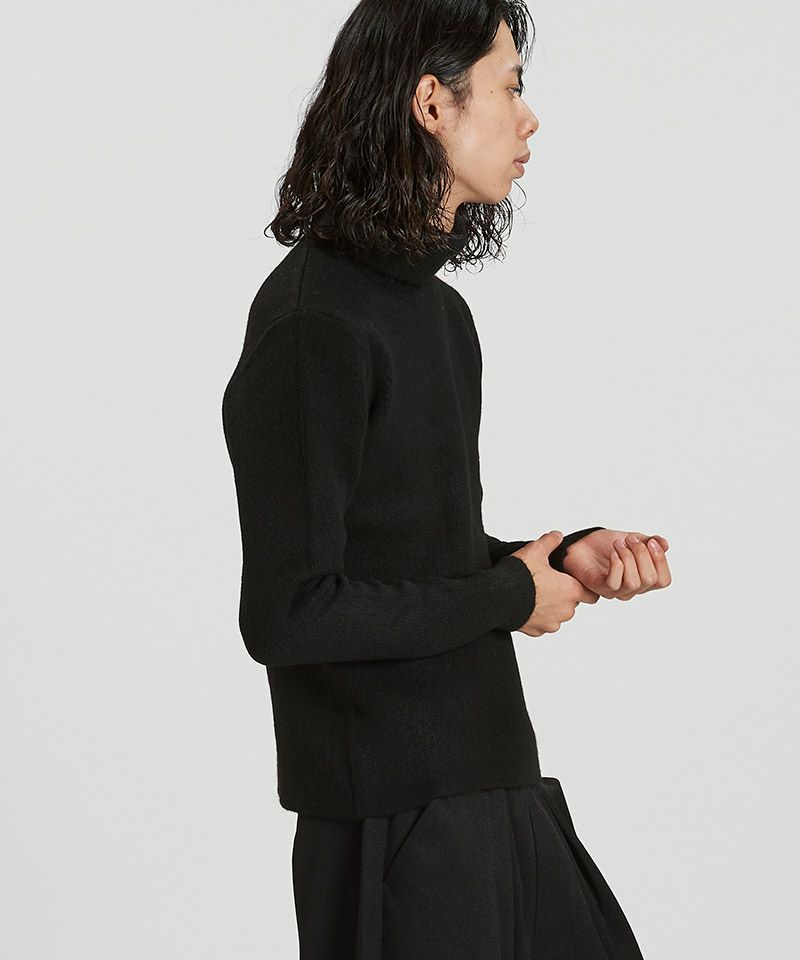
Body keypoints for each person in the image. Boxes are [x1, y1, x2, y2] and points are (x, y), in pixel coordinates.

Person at [221, 1, 672, 957]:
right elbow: (290, 613)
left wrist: (558, 557)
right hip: (393, 824)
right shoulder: (313, 323)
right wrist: (511, 594)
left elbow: (412, 552)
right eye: (510, 86)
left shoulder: (437, 315)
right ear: (432, 102)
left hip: (492, 779)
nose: (529, 117)